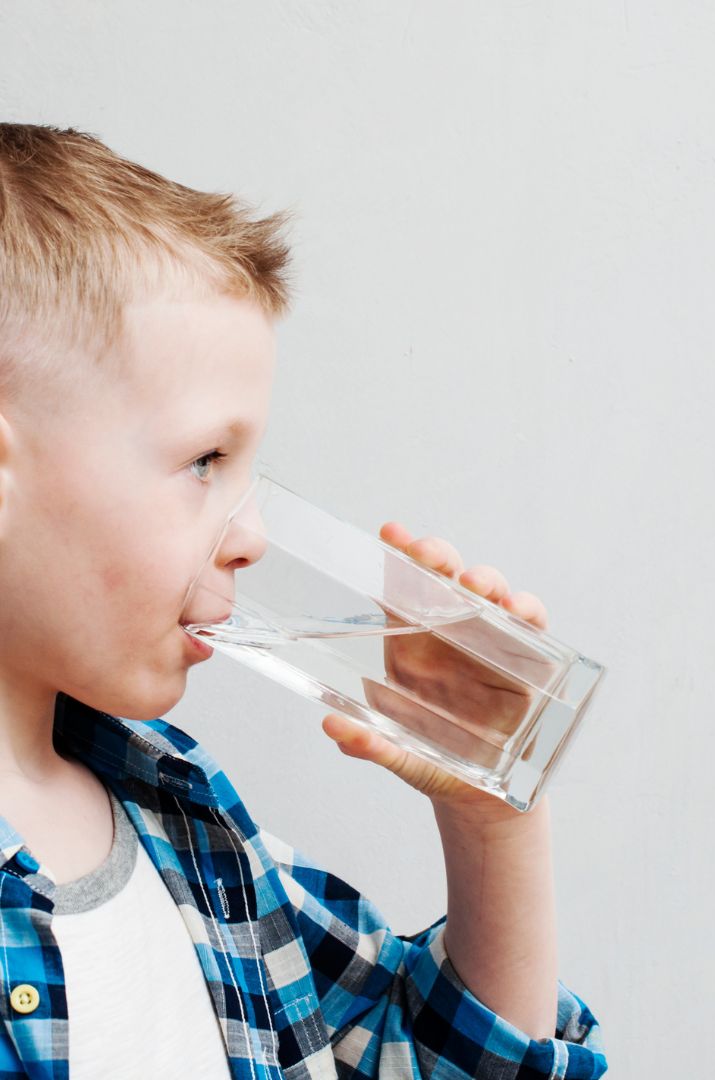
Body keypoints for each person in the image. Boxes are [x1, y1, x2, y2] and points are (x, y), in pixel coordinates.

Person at [0, 123, 607, 1079]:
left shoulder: (191, 833)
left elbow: (443, 1062)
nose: (252, 535)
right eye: (205, 460)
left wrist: (492, 814)